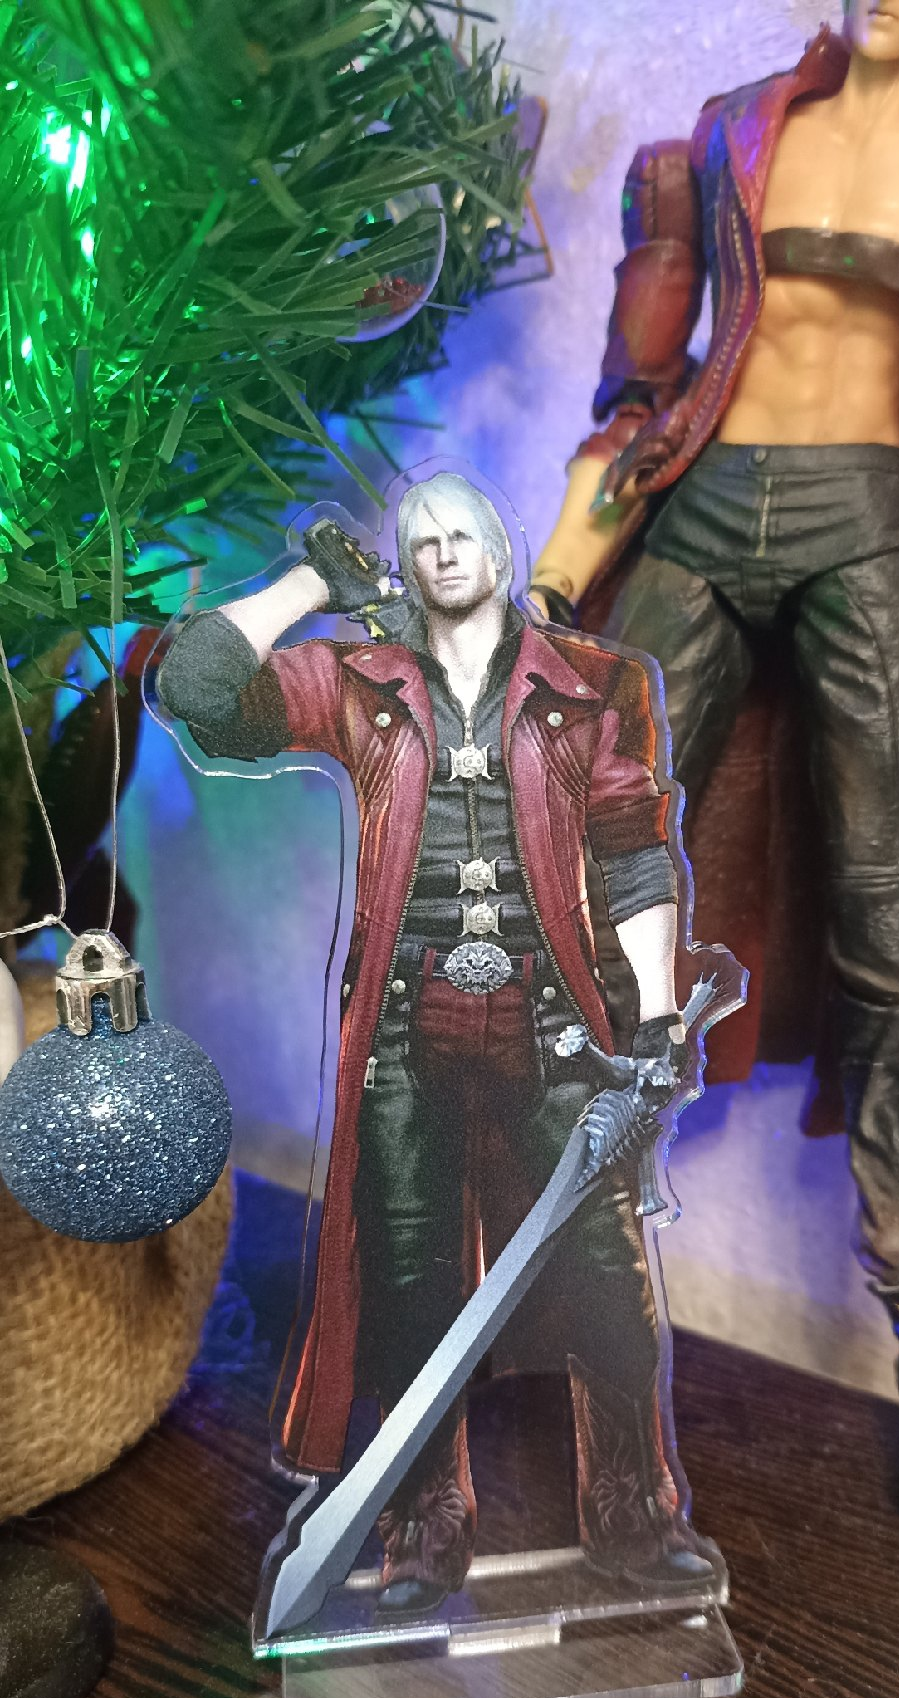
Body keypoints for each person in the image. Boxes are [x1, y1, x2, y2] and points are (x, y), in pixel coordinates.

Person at [530, 0, 899, 1520]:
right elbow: (639, 406)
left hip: (868, 523)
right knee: (568, 880)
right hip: (701, 516)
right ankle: (519, 1269)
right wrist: (551, 591)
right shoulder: (727, 132)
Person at [159, 472, 716, 1615]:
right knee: (410, 1287)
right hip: (405, 1031)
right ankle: (424, 1520)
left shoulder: (593, 685)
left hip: (557, 1029)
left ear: (502, 553)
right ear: (405, 564)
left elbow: (632, 851)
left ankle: (631, 1508)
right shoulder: (356, 682)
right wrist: (309, 583)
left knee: (606, 1281)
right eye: (424, 540)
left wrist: (657, 1017)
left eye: (465, 535)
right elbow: (198, 686)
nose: (446, 553)